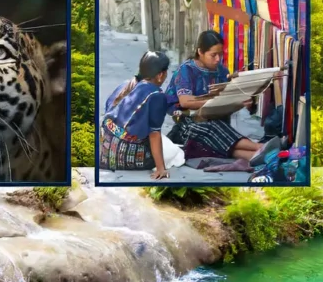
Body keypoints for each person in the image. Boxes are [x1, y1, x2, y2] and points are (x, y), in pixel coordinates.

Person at [166, 30, 264, 161]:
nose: (218, 59)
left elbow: (229, 97)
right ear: (200, 52)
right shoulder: (186, 70)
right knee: (211, 128)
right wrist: (218, 101)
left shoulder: (222, 71)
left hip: (217, 121)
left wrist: (241, 99)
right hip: (187, 124)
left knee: (216, 133)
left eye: (220, 54)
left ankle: (256, 156)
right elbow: (185, 102)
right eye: (213, 55)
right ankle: (260, 148)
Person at [99, 51, 179, 180]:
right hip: (127, 155)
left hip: (105, 151)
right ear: (160, 75)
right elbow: (154, 133)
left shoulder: (127, 84)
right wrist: (160, 168)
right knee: (175, 153)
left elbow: (108, 107)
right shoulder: (156, 96)